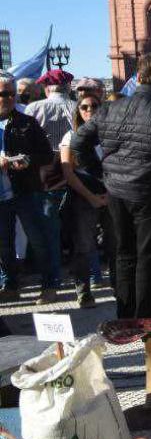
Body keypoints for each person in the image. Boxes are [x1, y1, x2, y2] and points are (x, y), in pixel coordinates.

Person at [71, 53, 151, 319]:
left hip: (118, 190)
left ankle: (126, 313)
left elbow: (78, 143)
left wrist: (102, 174)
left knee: (124, 253)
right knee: (149, 257)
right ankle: (146, 315)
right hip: (149, 192)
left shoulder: (110, 108)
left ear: (139, 77)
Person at [0, 73, 56, 303]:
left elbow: (45, 154)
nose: (10, 98)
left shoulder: (26, 122)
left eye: (13, 93)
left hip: (25, 189)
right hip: (1, 195)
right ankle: (10, 284)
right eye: (4, 93)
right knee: (4, 242)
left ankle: (49, 285)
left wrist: (28, 161)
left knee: (38, 239)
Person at [27, 69, 77, 294]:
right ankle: (84, 277)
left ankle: (53, 280)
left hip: (45, 174)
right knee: (78, 226)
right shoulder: (77, 107)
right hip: (76, 170)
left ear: (48, 87)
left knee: (50, 229)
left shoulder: (34, 108)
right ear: (67, 86)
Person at [60, 92, 113, 308]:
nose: (89, 110)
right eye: (84, 107)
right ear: (78, 111)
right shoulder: (70, 136)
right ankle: (84, 292)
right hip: (83, 196)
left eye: (94, 106)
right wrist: (91, 197)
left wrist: (110, 194)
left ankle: (122, 289)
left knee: (116, 244)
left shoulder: (109, 134)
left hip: (111, 193)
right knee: (83, 246)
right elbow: (68, 173)